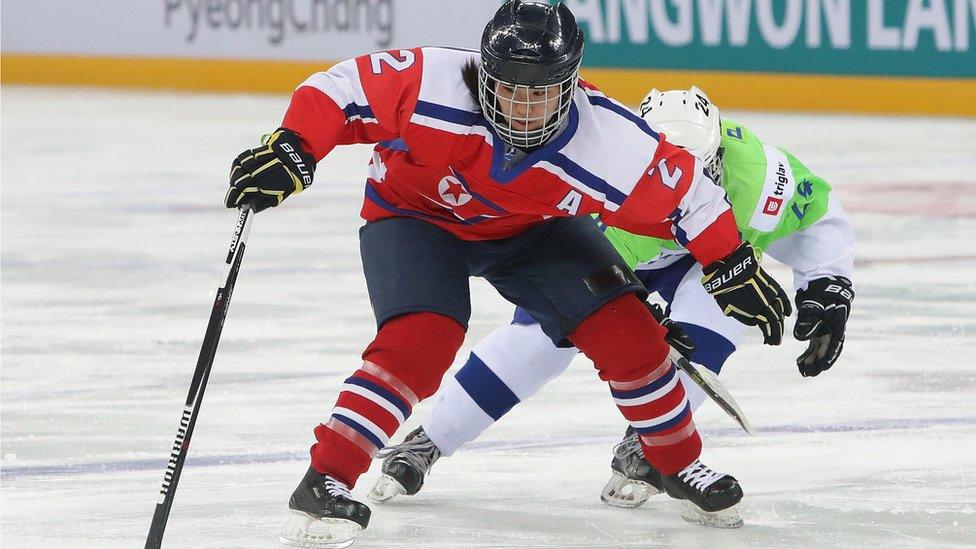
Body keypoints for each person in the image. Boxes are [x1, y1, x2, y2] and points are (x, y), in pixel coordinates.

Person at [225, 2, 789, 546]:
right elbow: (338, 88)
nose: (523, 108)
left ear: (569, 87)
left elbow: (691, 194)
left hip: (532, 230)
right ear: (484, 72)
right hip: (415, 218)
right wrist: (294, 148)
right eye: (510, 89)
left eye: (540, 94)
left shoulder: (608, 139)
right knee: (420, 341)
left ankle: (677, 465)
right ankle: (326, 479)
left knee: (632, 334)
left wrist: (731, 264)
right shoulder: (433, 82)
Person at [369, 86, 855, 523]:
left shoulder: (759, 176)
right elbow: (562, 269)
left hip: (709, 262)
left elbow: (817, 217)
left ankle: (654, 446)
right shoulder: (599, 177)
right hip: (613, 254)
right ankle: (431, 438)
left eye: (707, 171)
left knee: (715, 321)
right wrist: (636, 309)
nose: (695, 191)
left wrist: (829, 287)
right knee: (539, 342)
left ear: (720, 156)